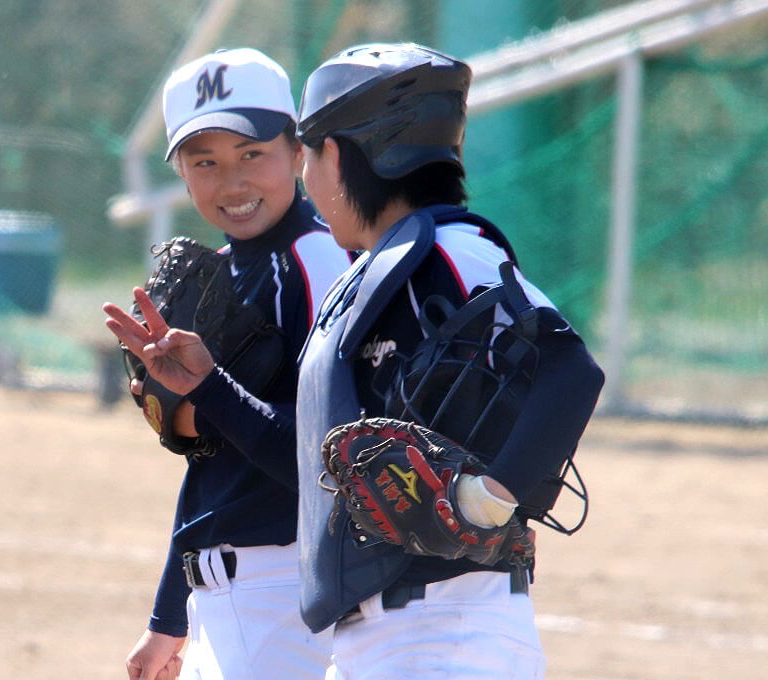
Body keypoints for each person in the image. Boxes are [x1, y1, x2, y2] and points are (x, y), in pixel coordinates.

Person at [291, 43, 606, 678]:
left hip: (448, 627)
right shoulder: (380, 270)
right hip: (396, 634)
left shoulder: (452, 250)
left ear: (337, 153)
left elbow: (572, 371)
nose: (304, 176)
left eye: (307, 151)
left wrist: (487, 499)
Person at [103, 48, 351, 680]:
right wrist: (169, 617)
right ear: (182, 175)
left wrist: (208, 393)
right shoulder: (221, 273)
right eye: (204, 161)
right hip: (233, 596)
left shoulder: (314, 261)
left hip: (286, 590)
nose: (232, 182)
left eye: (251, 155)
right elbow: (218, 469)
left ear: (298, 153)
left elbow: (325, 456)